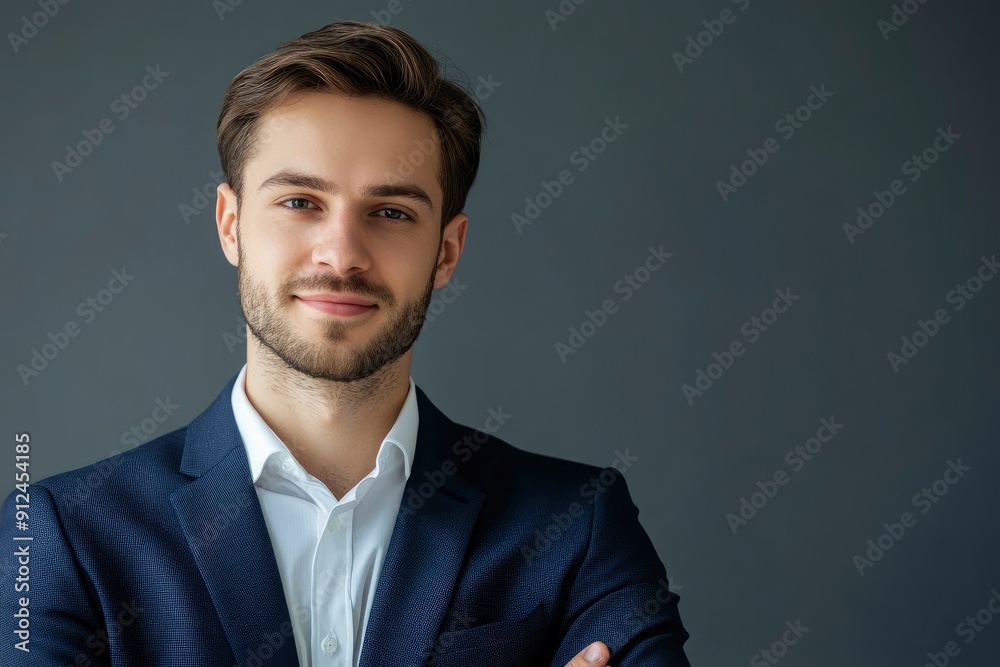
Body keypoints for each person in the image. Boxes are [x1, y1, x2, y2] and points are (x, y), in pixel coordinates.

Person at [1, 20, 690, 666]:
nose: (341, 254)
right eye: (300, 201)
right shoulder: (59, 534)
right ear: (230, 223)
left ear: (447, 251)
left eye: (391, 212)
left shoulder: (575, 523)